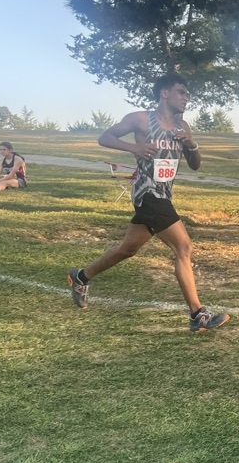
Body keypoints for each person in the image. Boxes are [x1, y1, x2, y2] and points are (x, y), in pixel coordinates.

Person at [67, 74, 230, 332]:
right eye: (181, 92)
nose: (186, 98)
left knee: (127, 249)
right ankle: (197, 315)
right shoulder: (141, 119)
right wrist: (134, 149)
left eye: (187, 95)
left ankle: (81, 276)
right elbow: (105, 137)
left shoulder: (182, 126)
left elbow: (196, 164)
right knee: (183, 247)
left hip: (165, 194)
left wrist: (191, 143)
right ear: (165, 93)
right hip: (147, 193)